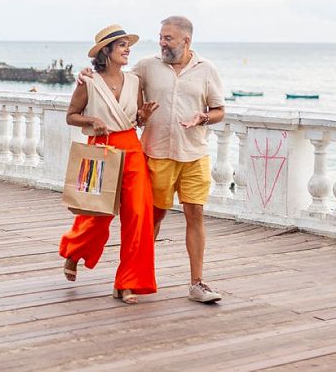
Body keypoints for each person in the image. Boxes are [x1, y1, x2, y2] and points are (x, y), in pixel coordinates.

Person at [80, 16, 226, 303]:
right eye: (160, 37)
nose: (162, 42)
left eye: (168, 38)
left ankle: (197, 283)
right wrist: (88, 74)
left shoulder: (207, 69)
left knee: (195, 214)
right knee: (151, 219)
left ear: (186, 40)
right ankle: (131, 279)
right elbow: (112, 78)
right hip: (156, 154)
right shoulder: (146, 67)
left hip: (194, 154)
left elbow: (219, 109)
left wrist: (204, 117)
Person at [60, 24, 160, 304]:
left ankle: (127, 282)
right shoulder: (88, 82)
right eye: (122, 45)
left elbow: (137, 120)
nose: (128, 50)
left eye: (129, 45)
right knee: (96, 216)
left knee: (139, 217)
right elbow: (71, 115)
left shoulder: (134, 82)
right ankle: (72, 251)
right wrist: (91, 121)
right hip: (101, 151)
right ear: (107, 51)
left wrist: (144, 115)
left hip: (132, 149)